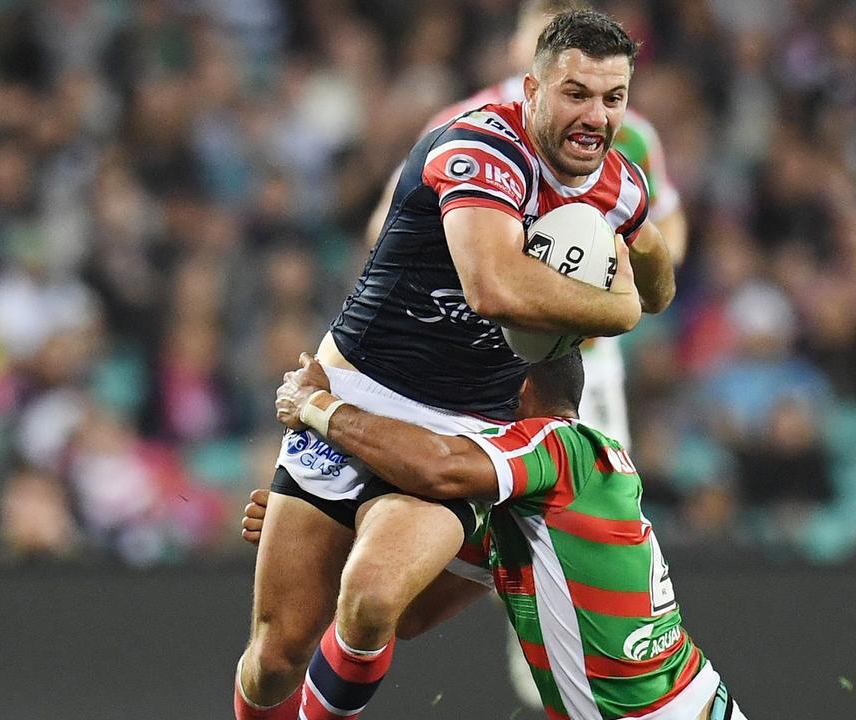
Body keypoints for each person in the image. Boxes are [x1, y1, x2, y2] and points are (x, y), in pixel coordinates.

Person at [234, 10, 677, 720]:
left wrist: (641, 254)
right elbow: (493, 288)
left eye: (613, 98)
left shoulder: (617, 183)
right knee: (275, 658)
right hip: (355, 394)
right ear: (532, 89)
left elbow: (657, 280)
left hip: (467, 428)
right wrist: (619, 309)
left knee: (375, 600)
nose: (596, 116)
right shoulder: (478, 146)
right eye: (576, 94)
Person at [241, 350, 747, 720]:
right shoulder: (535, 526)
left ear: (518, 390)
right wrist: (318, 530)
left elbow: (436, 467)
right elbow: (412, 613)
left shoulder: (562, 445)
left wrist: (320, 407)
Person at [364, 0, 690, 448]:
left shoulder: (629, 138)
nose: (594, 110)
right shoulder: (464, 127)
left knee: (586, 501)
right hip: (468, 351)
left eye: (609, 95)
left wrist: (614, 271)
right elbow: (386, 226)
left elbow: (662, 224)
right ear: (524, 54)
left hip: (581, 362)